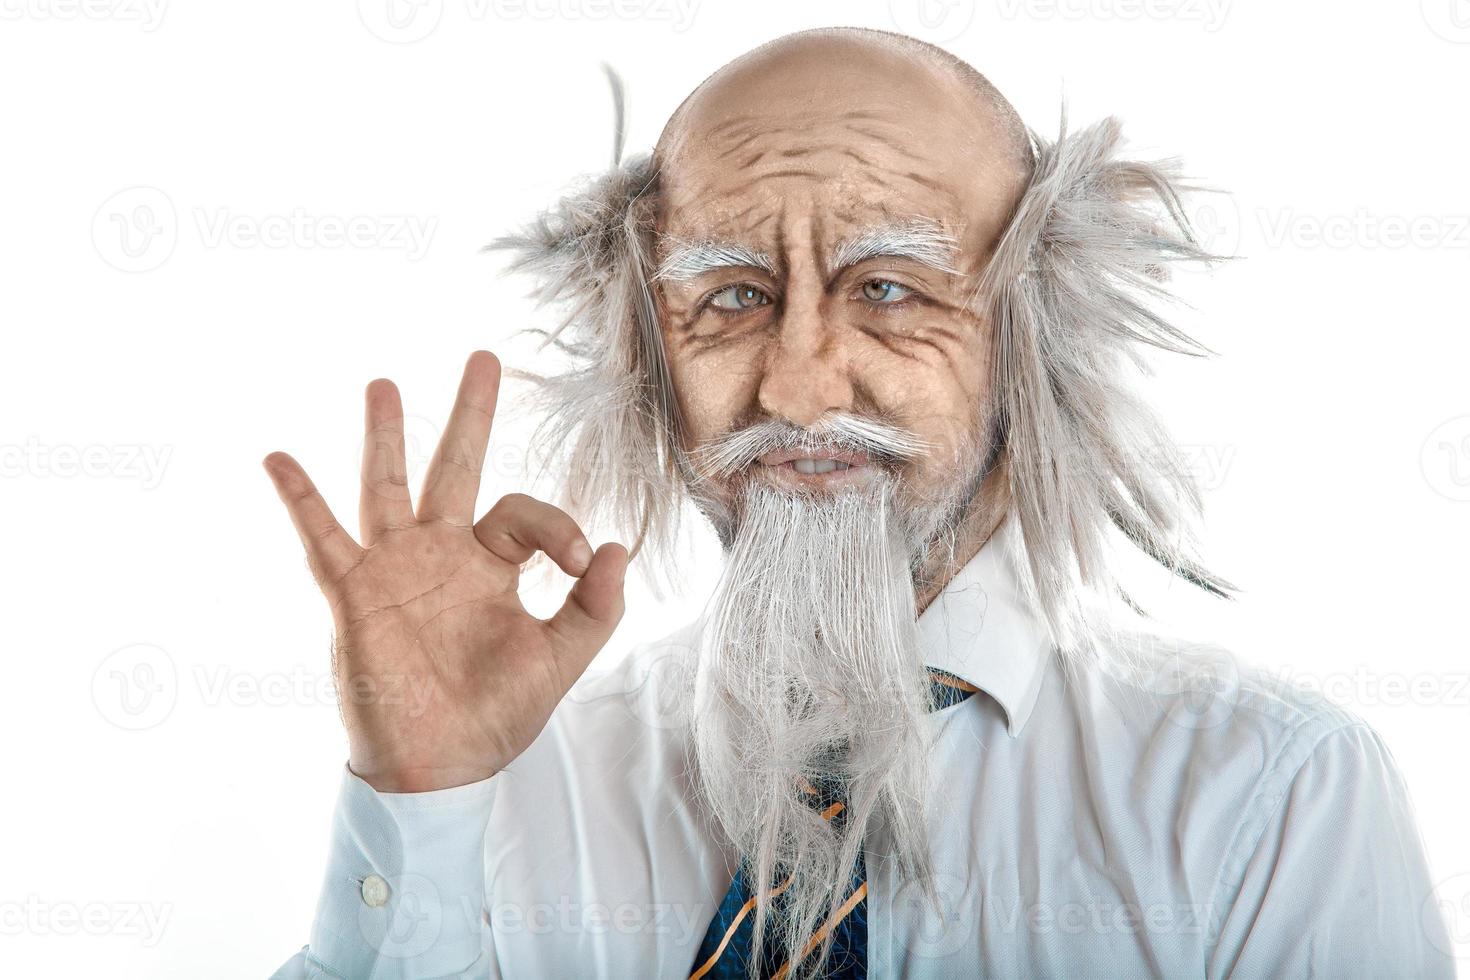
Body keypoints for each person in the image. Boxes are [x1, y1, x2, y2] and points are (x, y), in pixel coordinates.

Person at [265, 27, 1452, 979]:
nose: (796, 382)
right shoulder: (516, 790)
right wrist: (420, 792)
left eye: (888, 287)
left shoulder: (1268, 796)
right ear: (652, 351)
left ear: (1032, 329)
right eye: (729, 298)